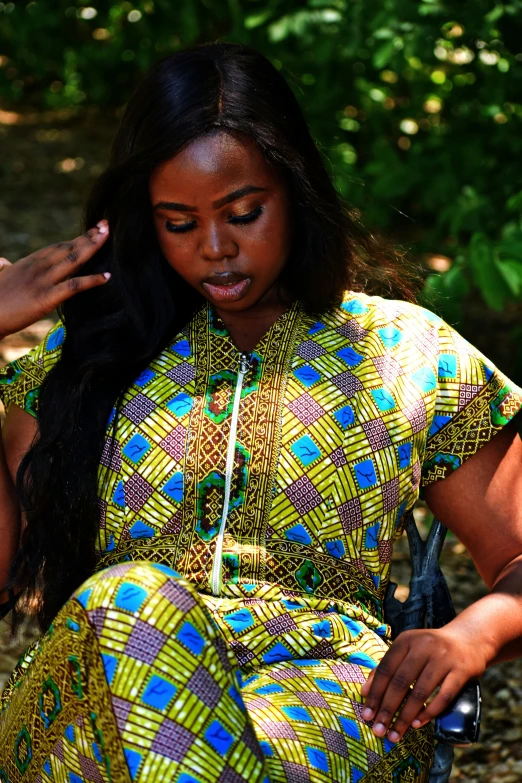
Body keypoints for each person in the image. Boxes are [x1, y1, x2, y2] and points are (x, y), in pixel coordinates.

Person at [0, 42, 521, 783]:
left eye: (244, 212)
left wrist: (474, 632)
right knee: (133, 602)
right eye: (179, 223)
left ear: (296, 187)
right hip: (95, 702)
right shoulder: (81, 360)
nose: (215, 249)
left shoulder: (405, 352)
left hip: (331, 705)